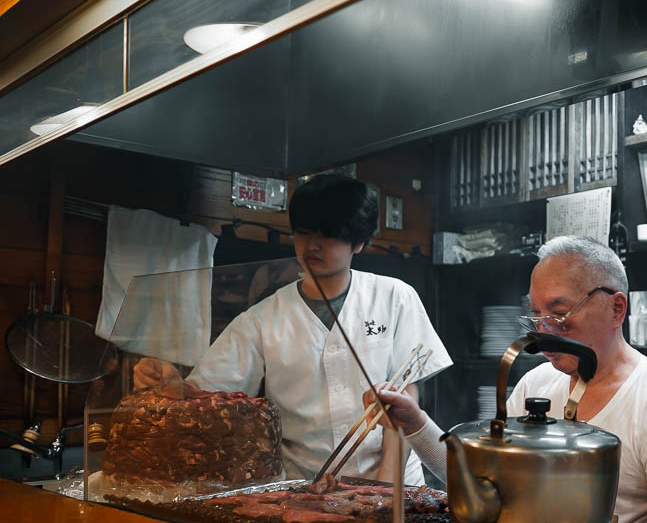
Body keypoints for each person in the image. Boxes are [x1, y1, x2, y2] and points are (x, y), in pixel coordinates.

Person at [371, 236, 647, 523]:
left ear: (616, 308)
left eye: (560, 314)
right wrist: (415, 423)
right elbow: (479, 487)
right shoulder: (536, 384)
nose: (544, 332)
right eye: (535, 315)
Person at [135, 174, 450, 484]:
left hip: (395, 485)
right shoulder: (261, 318)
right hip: (308, 491)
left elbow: (405, 398)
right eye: (303, 232)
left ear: (359, 243)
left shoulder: (395, 297)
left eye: (328, 235)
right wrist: (171, 383)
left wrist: (385, 490)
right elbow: (207, 395)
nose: (312, 245)